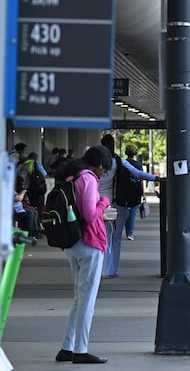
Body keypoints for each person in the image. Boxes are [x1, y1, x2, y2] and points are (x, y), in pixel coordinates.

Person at [55, 145, 112, 365]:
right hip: (89, 242)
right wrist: (104, 202)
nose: (104, 173)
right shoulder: (88, 179)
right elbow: (90, 215)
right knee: (87, 300)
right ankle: (81, 349)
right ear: (98, 165)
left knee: (79, 298)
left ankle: (67, 347)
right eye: (104, 169)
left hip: (72, 243)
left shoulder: (71, 177)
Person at [99, 134, 159, 278]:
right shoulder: (118, 161)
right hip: (118, 202)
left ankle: (103, 269)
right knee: (116, 238)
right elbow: (137, 174)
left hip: (99, 204)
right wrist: (156, 178)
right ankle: (112, 270)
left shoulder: (95, 162)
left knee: (104, 236)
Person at [124, 144, 143, 241]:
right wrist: (142, 193)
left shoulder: (123, 163)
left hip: (124, 190)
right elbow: (141, 179)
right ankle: (130, 233)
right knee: (133, 212)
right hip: (136, 190)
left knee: (124, 211)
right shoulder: (138, 165)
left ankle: (122, 229)